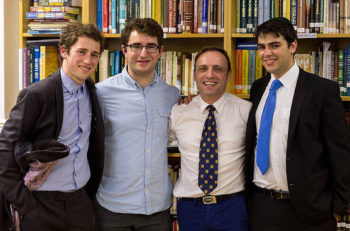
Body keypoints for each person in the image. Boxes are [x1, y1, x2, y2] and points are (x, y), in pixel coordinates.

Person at [244, 17, 350, 231]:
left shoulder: (322, 91)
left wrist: (338, 207)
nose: (267, 53)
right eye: (262, 47)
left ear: (293, 46)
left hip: (310, 211)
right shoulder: (258, 88)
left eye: (275, 45)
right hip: (263, 207)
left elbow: (340, 153)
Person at [0, 22, 105, 231]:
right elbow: (4, 150)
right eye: (81, 52)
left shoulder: (92, 91)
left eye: (94, 54)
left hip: (80, 204)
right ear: (64, 51)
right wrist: (25, 206)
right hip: (40, 206)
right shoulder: (37, 95)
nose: (88, 60)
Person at [94, 18, 180, 231]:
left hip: (157, 211)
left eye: (151, 46)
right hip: (112, 209)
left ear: (160, 51)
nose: (143, 54)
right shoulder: (101, 93)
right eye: (136, 46)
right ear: (124, 50)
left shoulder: (172, 95)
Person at [168, 47, 251, 231]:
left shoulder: (246, 111)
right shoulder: (178, 112)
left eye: (218, 69)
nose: (210, 75)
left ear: (229, 75)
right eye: (203, 68)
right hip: (190, 209)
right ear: (195, 74)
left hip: (232, 207)